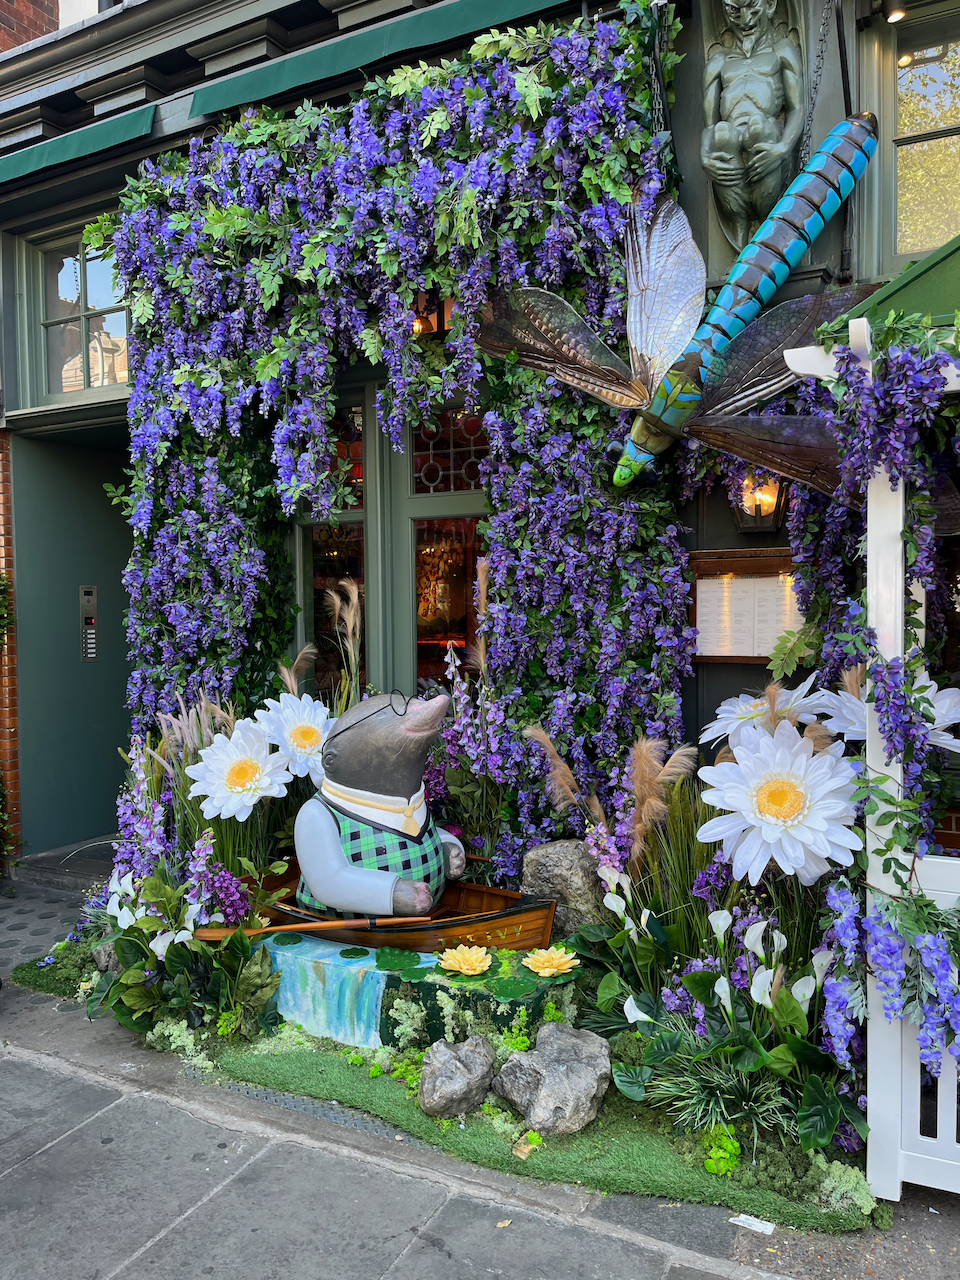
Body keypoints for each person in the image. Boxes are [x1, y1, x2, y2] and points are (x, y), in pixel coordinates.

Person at [701, 0, 803, 249]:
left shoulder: (782, 51)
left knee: (759, 126)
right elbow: (710, 125)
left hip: (767, 142)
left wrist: (782, 149)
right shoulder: (718, 62)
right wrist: (705, 155)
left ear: (769, 7)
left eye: (752, 9)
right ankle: (740, 237)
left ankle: (768, 234)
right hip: (732, 145)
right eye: (734, 11)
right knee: (722, 133)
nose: (744, 20)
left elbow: (796, 108)